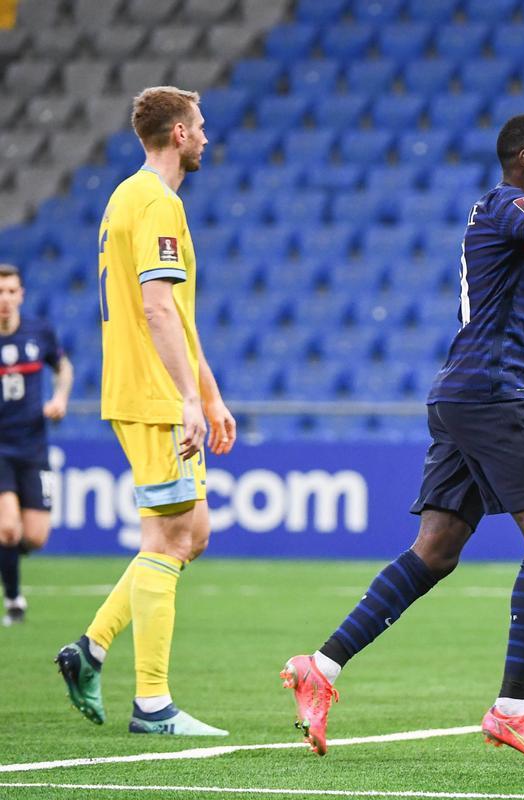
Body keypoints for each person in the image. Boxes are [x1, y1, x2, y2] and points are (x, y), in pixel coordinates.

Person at [282, 94, 524, 765]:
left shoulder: (514, 221)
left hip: (475, 391)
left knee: (435, 549)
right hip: (486, 394)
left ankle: (322, 665)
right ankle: (512, 709)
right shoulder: (506, 207)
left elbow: (503, 318)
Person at [55, 86, 237, 736]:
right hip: (154, 395)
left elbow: (178, 316)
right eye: (202, 126)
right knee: (169, 538)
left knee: (192, 533)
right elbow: (157, 307)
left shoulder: (129, 199)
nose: (208, 137)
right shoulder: (157, 203)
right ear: (180, 135)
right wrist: (188, 398)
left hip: (155, 390)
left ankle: (90, 649)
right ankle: (153, 705)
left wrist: (209, 394)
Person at [0, 263, 72, 626]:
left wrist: (60, 398)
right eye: (0, 292)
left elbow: (63, 368)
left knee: (35, 536)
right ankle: (14, 601)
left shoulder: (38, 332)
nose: (5, 299)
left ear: (21, 295)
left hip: (33, 446)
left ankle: (5, 554)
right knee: (8, 527)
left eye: (11, 291)